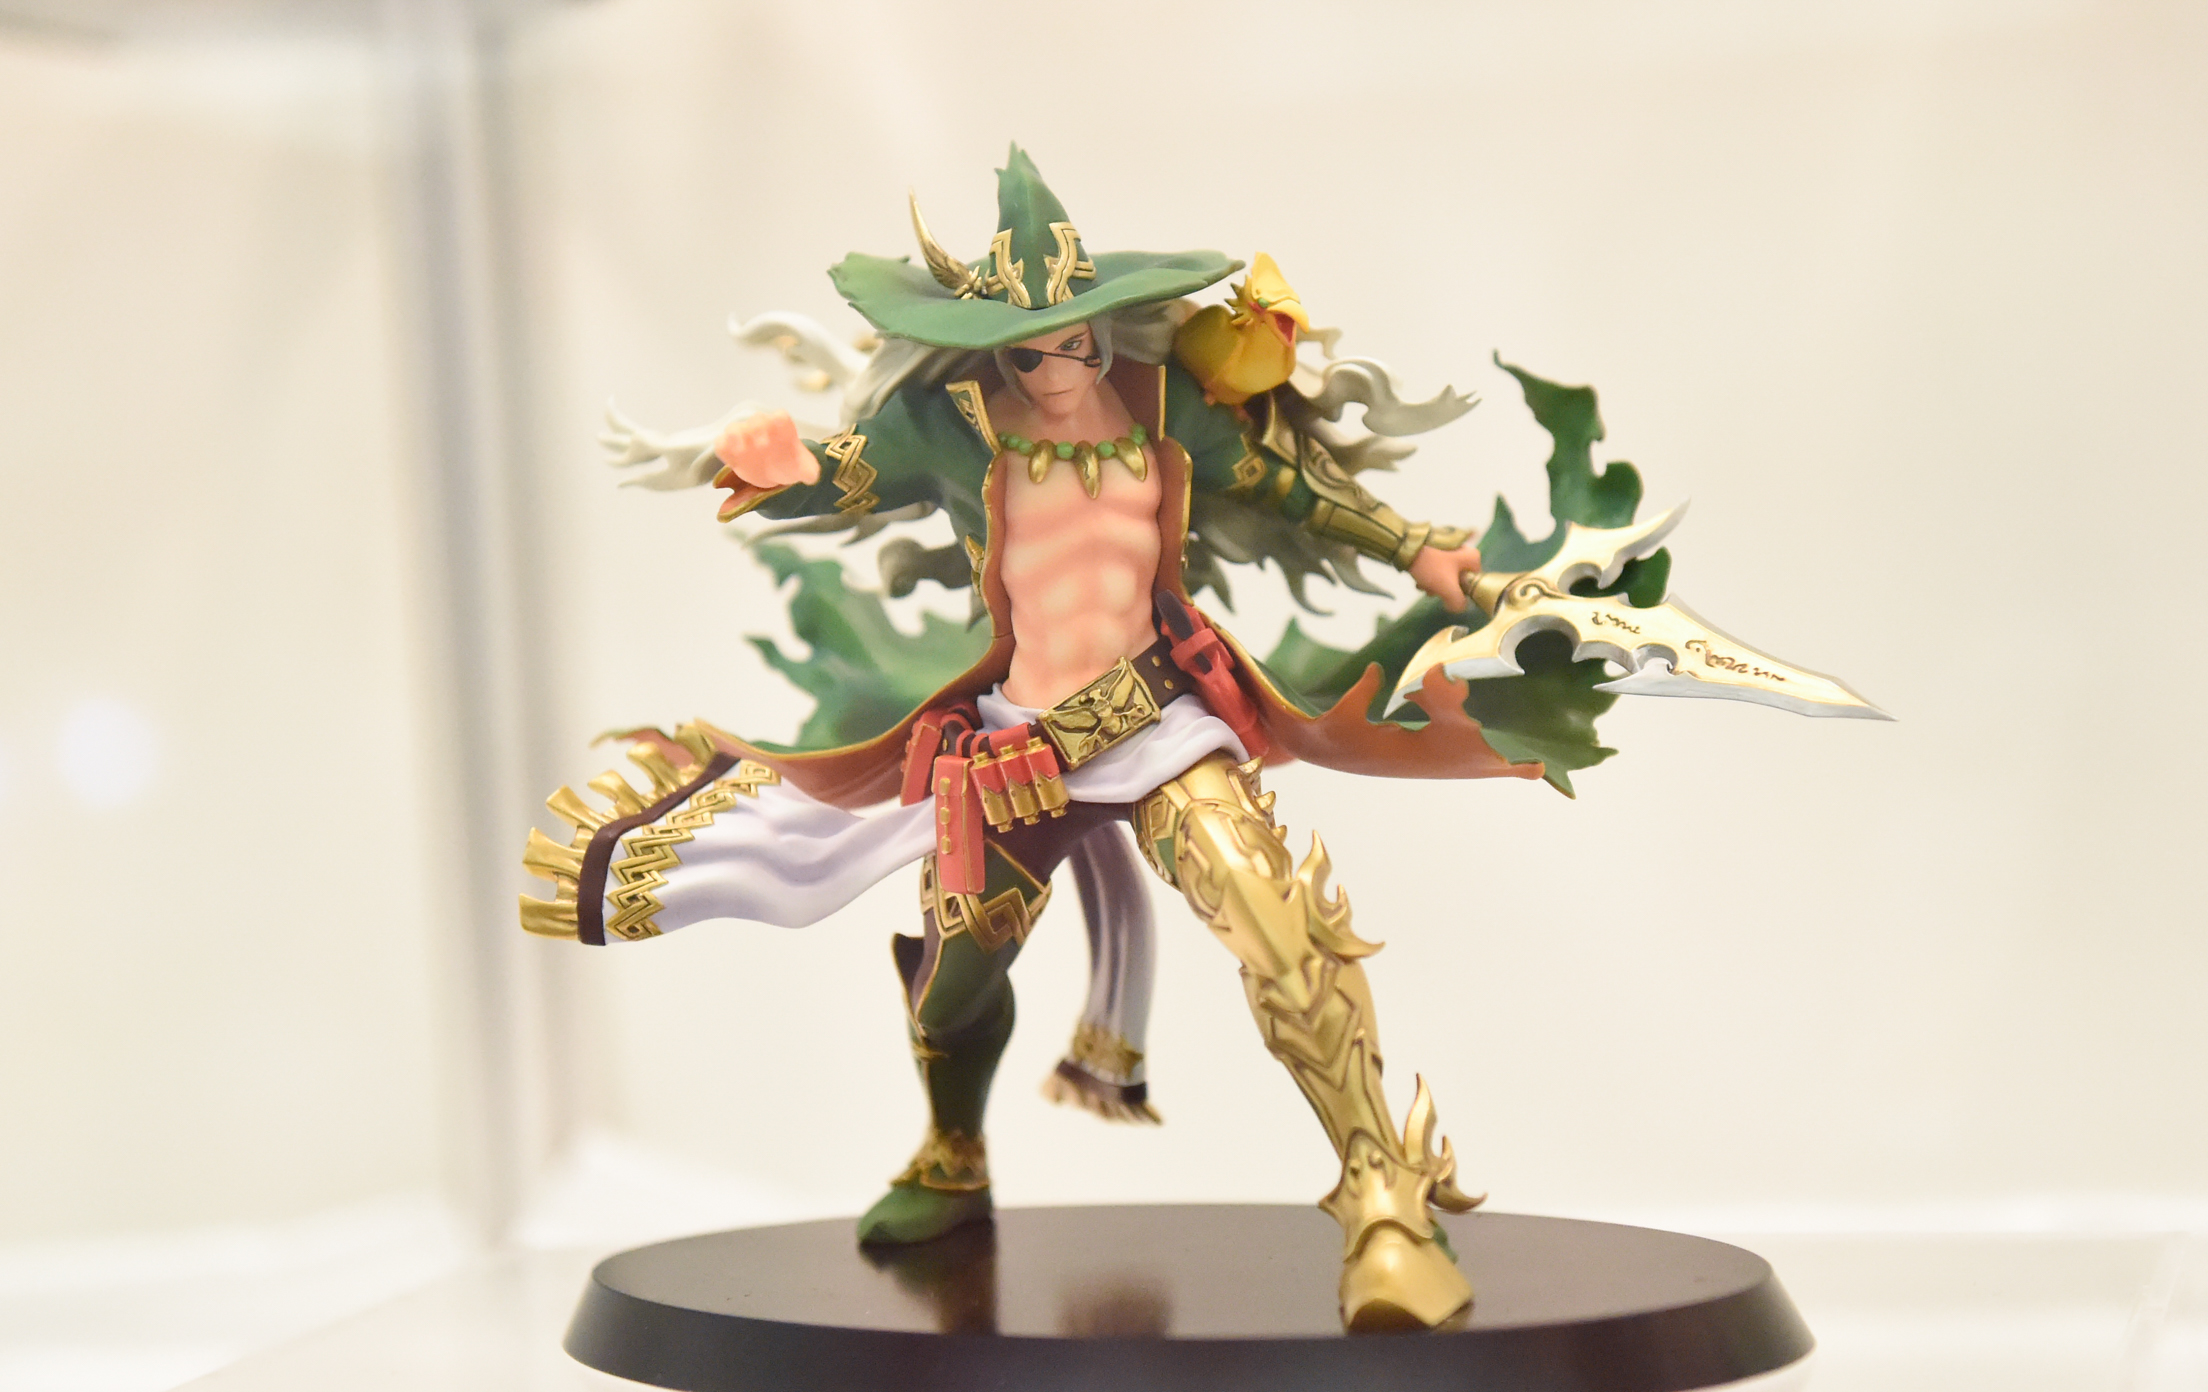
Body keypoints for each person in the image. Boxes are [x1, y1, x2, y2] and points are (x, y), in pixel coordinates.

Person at [521, 146, 1551, 1330]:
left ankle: (1382, 1200)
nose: (1061, 372)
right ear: (992, 349)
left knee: (1277, 925)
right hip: (1016, 757)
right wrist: (777, 464)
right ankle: (952, 1154)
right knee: (952, 990)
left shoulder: (1165, 410)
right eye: (1033, 353)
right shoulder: (948, 428)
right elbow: (845, 475)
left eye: (1080, 345)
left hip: (1160, 726)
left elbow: (1286, 485)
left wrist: (1415, 545)